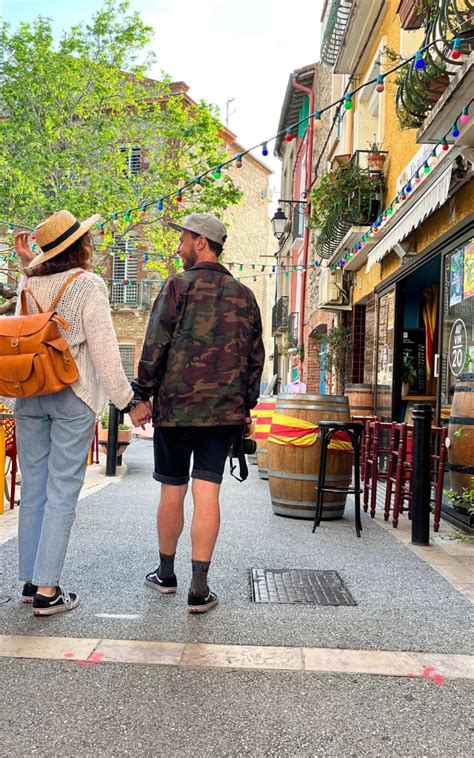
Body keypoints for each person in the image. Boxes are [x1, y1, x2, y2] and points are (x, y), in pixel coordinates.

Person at [128, 213, 264, 613]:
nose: (179, 246)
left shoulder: (177, 286)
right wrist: (246, 405)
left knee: (172, 490)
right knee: (208, 493)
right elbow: (256, 360)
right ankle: (199, 589)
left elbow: (155, 345)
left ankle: (166, 575)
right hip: (223, 415)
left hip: (175, 411)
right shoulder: (245, 295)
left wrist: (141, 395)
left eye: (184, 239)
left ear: (201, 241)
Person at [11, 210, 134, 616]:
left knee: (35, 487)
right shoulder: (87, 284)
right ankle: (48, 590)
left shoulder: (28, 282)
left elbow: (21, 333)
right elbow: (102, 348)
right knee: (62, 490)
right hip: (72, 393)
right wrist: (124, 400)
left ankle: (31, 581)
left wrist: (27, 263)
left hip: (29, 391)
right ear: (80, 245)